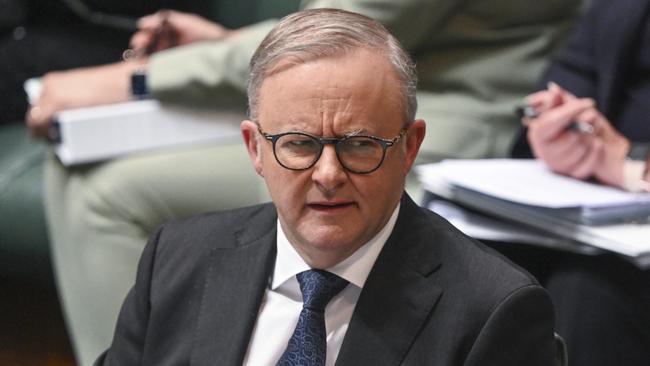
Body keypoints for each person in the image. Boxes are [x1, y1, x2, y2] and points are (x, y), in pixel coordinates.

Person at [31, 1, 582, 364]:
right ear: (254, 149)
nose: (327, 175)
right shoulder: (176, 261)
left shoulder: (495, 312)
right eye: (297, 145)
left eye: (360, 145)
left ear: (409, 147)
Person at [511, 0, 650, 364]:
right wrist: (557, 136)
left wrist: (628, 161)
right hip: (593, 206)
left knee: (592, 291)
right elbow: (569, 79)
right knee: (465, 258)